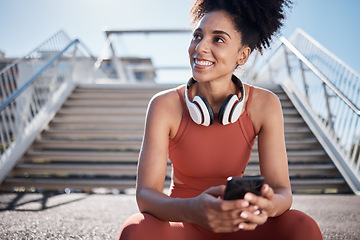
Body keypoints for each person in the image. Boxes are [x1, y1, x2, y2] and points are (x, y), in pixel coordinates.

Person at [119, 0, 323, 239]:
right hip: (184, 223)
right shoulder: (164, 104)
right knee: (135, 229)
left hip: (240, 225)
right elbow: (146, 194)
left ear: (242, 55)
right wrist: (193, 209)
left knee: (302, 225)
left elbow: (282, 192)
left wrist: (269, 205)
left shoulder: (265, 104)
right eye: (197, 36)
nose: (200, 47)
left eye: (218, 39)